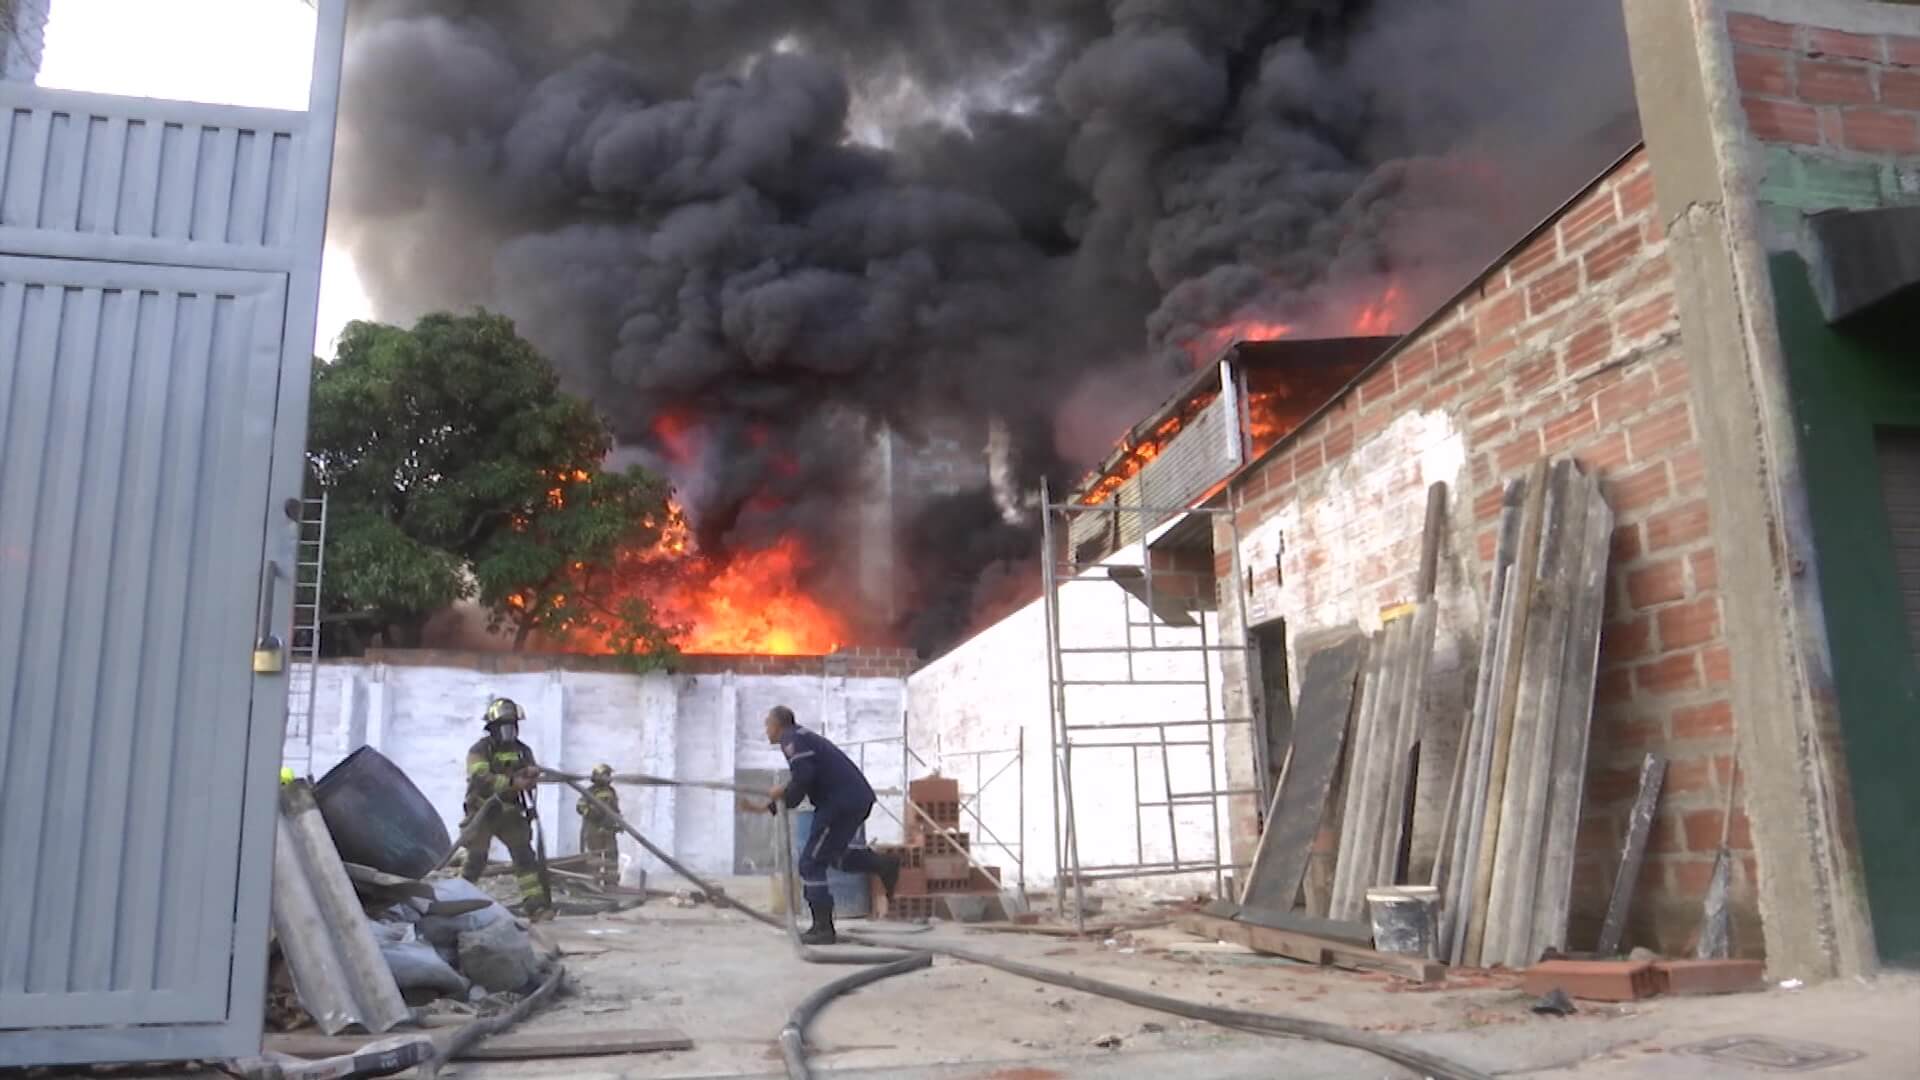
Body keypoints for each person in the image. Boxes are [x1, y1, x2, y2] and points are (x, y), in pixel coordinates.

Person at [748, 705, 900, 944]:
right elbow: (804, 778)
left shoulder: (791, 739)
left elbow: (804, 778)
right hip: (853, 799)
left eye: (767, 724)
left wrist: (782, 796)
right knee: (833, 857)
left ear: (778, 725)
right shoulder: (801, 737)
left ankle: (823, 928)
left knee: (810, 862)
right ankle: (883, 864)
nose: (766, 730)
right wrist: (774, 804)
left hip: (840, 803)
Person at [461, 697, 552, 919]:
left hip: (510, 811)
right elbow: (481, 777)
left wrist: (530, 777)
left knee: (524, 858)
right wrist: (511, 783)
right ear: (492, 728)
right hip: (483, 811)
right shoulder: (480, 750)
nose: (509, 731)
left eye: (513, 725)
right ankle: (457, 903)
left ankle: (536, 906)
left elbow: (529, 773)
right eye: (504, 726)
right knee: (475, 860)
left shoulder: (522, 750)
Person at [576, 763, 621, 890]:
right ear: (598, 776)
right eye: (606, 775)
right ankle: (594, 885)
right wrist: (593, 813)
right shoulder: (590, 791)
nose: (609, 778)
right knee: (595, 858)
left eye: (609, 775)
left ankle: (611, 885)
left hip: (608, 830)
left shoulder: (611, 791)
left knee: (611, 857)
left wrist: (618, 822)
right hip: (593, 830)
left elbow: (615, 809)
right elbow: (580, 807)